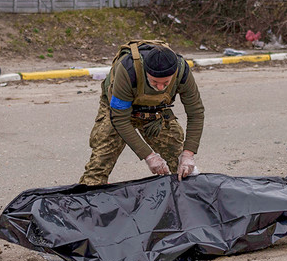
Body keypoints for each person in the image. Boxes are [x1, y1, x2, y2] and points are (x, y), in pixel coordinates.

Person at [79, 40, 204, 186]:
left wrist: (189, 154)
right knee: (99, 166)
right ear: (146, 72)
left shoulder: (182, 71)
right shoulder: (127, 70)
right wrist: (149, 156)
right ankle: (87, 204)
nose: (159, 87)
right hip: (117, 112)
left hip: (154, 112)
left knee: (183, 166)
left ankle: (187, 203)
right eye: (154, 82)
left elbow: (196, 112)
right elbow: (120, 119)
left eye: (165, 83)